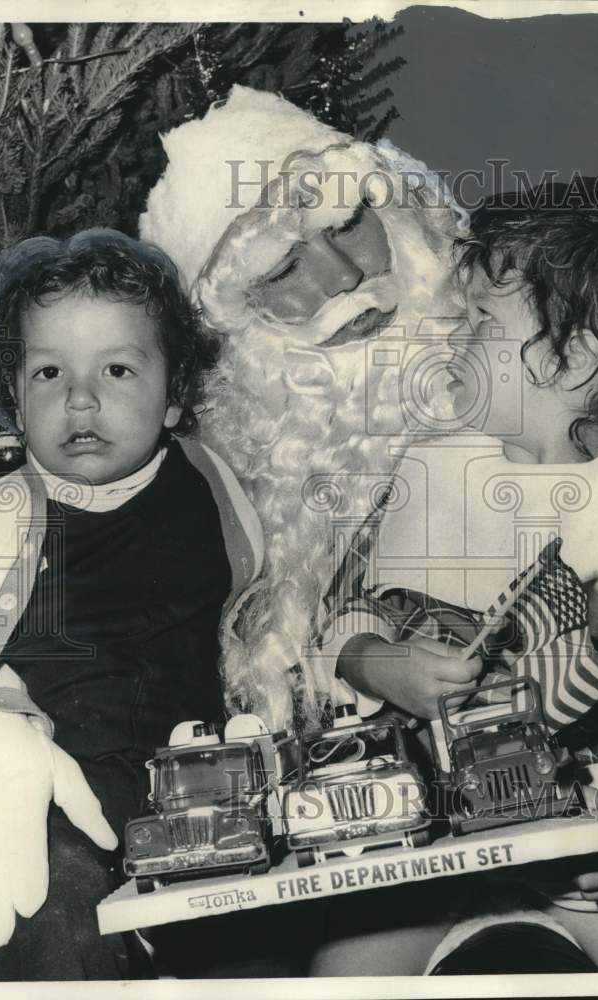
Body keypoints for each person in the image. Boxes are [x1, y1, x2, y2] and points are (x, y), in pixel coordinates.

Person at [326, 178, 598, 972]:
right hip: (417, 824)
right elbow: (341, 613)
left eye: (480, 323)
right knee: (345, 969)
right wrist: (376, 662)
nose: (451, 340)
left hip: (577, 815)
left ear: (570, 359)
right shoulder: (423, 475)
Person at [0, 229, 270, 979]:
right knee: (55, 909)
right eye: (47, 373)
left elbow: (255, 616)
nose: (80, 397)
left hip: (202, 791)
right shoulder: (0, 512)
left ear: (176, 397)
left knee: (268, 939)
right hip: (62, 804)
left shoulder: (208, 484)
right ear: (12, 397)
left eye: (118, 369)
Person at [140, 84, 467, 735]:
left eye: (347, 226)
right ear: (244, 310)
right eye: (287, 267)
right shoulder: (220, 492)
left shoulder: (519, 358)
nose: (344, 276)